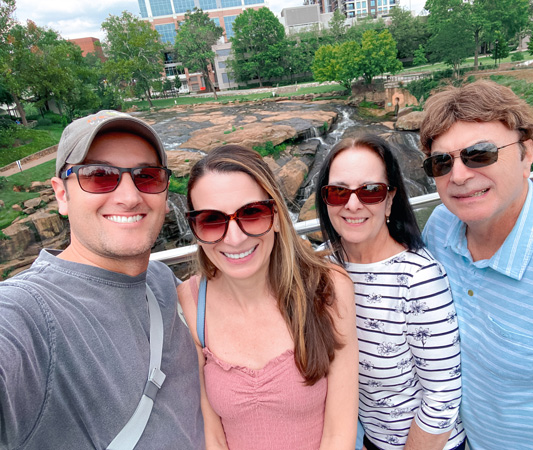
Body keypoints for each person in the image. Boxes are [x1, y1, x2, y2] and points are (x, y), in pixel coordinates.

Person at [0, 110, 205, 449]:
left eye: (148, 176)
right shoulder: (28, 312)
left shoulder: (161, 282)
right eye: (99, 175)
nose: (129, 196)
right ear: (61, 194)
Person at [420, 80, 533, 449]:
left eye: (480, 154)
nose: (459, 176)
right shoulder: (439, 228)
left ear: (526, 153)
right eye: (442, 162)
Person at [177, 145, 358, 450]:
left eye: (252, 213)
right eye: (211, 220)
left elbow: (339, 432)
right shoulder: (192, 302)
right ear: (195, 229)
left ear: (275, 216)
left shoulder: (328, 289)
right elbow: (213, 436)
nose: (234, 239)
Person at [315, 134, 465, 450]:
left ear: (389, 198)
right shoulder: (324, 264)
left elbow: (442, 397)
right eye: (339, 191)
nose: (352, 204)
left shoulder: (418, 279)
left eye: (370, 191)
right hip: (368, 440)